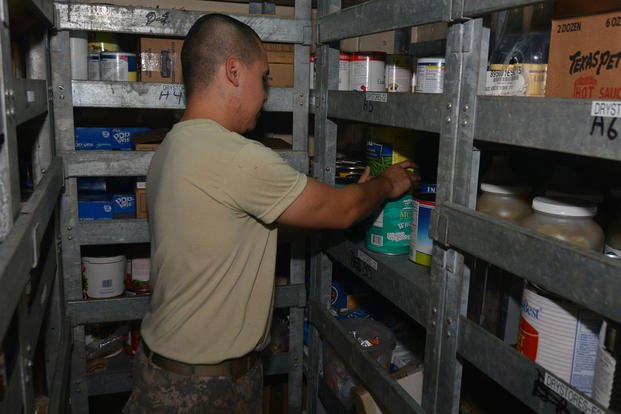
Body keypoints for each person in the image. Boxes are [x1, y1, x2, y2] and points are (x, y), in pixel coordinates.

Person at [123, 13, 418, 413]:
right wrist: (384, 186)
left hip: (172, 372)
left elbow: (241, 234)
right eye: (263, 77)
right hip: (202, 392)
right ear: (232, 70)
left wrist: (346, 204)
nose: (265, 94)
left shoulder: (174, 149)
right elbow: (343, 211)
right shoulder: (235, 158)